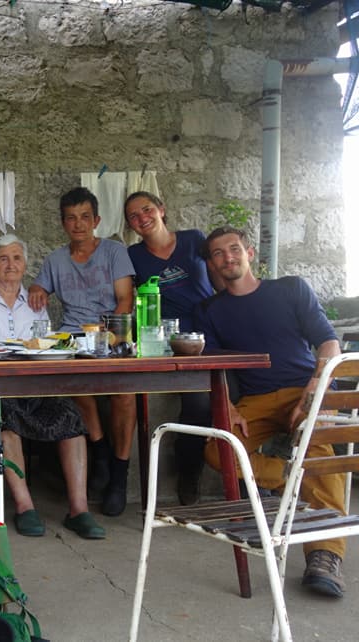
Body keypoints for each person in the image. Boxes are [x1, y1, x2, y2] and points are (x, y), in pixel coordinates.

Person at [196, 226, 347, 598]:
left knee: (320, 452)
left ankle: (325, 555)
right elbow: (210, 367)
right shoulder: (209, 311)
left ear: (249, 252)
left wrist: (314, 390)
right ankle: (295, 482)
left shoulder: (290, 289)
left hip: (303, 389)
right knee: (219, 451)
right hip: (256, 401)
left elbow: (328, 341)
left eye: (234, 249)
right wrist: (227, 407)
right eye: (218, 253)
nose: (227, 257)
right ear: (211, 264)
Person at [0, 234, 105, 539]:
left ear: (25, 265)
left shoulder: (36, 302)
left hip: (34, 387)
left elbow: (43, 345)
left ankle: (79, 509)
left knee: (71, 416)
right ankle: (25, 506)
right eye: (3, 258)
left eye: (17, 258)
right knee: (3, 419)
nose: (11, 265)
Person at [28, 187, 137, 516]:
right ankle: (99, 451)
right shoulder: (55, 259)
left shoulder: (115, 252)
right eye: (71, 219)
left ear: (97, 220)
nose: (78, 224)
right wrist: (35, 289)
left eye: (85, 217)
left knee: (124, 396)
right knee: (74, 386)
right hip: (73, 338)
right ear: (63, 224)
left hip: (113, 334)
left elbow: (125, 300)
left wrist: (113, 336)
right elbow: (38, 287)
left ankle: (118, 474)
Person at [124, 191, 215, 505]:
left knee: (231, 393)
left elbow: (218, 279)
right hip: (167, 340)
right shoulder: (133, 255)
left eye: (147, 209)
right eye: (134, 216)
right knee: (199, 404)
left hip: (209, 332)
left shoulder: (193, 240)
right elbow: (126, 298)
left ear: (162, 210)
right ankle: (190, 471)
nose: (142, 218)